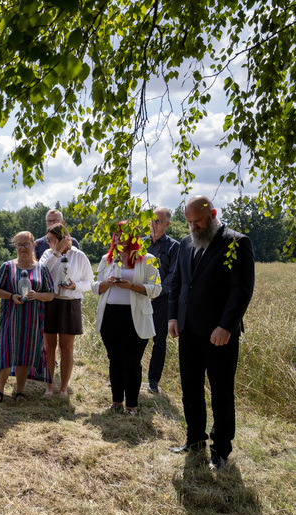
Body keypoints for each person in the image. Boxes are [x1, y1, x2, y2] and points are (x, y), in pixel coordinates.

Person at [167, 195, 255, 470]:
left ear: (213, 215)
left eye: (198, 222)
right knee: (190, 389)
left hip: (219, 335)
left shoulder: (236, 242)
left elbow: (241, 290)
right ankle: (194, 440)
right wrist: (173, 317)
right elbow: (178, 282)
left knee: (221, 393)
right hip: (188, 330)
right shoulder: (185, 243)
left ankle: (221, 450)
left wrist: (226, 326)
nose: (193, 227)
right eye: (190, 222)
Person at [92, 222, 161, 415]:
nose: (118, 237)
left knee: (132, 362)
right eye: (116, 234)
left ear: (133, 237)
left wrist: (131, 286)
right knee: (114, 360)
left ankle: (131, 405)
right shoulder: (106, 259)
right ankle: (116, 402)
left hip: (135, 316)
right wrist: (107, 283)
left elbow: (157, 289)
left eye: (123, 234)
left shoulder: (148, 259)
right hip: (110, 315)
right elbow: (95, 286)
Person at [0, 232, 54, 403]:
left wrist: (36, 295)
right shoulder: (7, 267)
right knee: (6, 352)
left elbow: (50, 295)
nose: (23, 248)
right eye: (19, 244)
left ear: (33, 244)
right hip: (10, 318)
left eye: (26, 244)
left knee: (25, 353)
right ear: (15, 246)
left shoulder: (41, 268)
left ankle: (20, 392)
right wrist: (11, 296)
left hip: (32, 320)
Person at [38, 223, 93, 396]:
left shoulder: (79, 255)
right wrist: (56, 252)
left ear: (61, 238)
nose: (48, 243)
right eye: (47, 240)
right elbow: (41, 273)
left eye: (51, 240)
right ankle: (49, 386)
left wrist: (75, 286)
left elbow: (89, 282)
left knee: (67, 346)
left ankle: (63, 387)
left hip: (70, 303)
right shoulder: (47, 254)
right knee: (49, 346)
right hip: (50, 302)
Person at [143, 207, 180, 394]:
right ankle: (128, 374)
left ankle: (153, 380)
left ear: (167, 224)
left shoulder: (174, 247)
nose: (154, 224)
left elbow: (173, 275)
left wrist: (155, 292)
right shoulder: (140, 244)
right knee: (136, 337)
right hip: (141, 297)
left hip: (162, 299)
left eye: (158, 221)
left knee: (159, 340)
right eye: (152, 220)